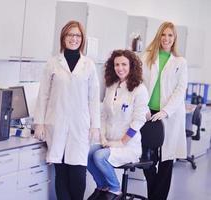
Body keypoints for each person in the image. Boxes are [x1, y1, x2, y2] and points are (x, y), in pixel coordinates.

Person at [33, 20, 100, 200]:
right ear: (63, 38)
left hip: (80, 126)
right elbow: (43, 95)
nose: (74, 39)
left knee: (78, 174)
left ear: (82, 39)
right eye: (70, 35)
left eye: (78, 35)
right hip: (56, 124)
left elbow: (93, 98)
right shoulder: (53, 63)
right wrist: (39, 123)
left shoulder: (89, 65)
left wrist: (96, 126)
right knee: (61, 174)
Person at [87, 50, 149, 200]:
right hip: (109, 141)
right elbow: (103, 114)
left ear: (132, 66)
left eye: (124, 64)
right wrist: (102, 137)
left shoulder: (139, 89)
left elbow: (138, 121)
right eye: (116, 64)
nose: (120, 68)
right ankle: (102, 186)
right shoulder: (111, 86)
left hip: (128, 146)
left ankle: (115, 190)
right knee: (87, 152)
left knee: (99, 156)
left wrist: (121, 142)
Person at [142, 21, 188, 200]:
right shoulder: (146, 57)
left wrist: (166, 111)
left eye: (170, 35)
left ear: (174, 38)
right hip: (148, 113)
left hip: (169, 115)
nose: (166, 38)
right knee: (148, 159)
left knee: (166, 159)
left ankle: (157, 198)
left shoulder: (180, 62)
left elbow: (180, 90)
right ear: (158, 36)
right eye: (164, 34)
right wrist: (144, 106)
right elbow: (139, 82)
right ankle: (154, 195)